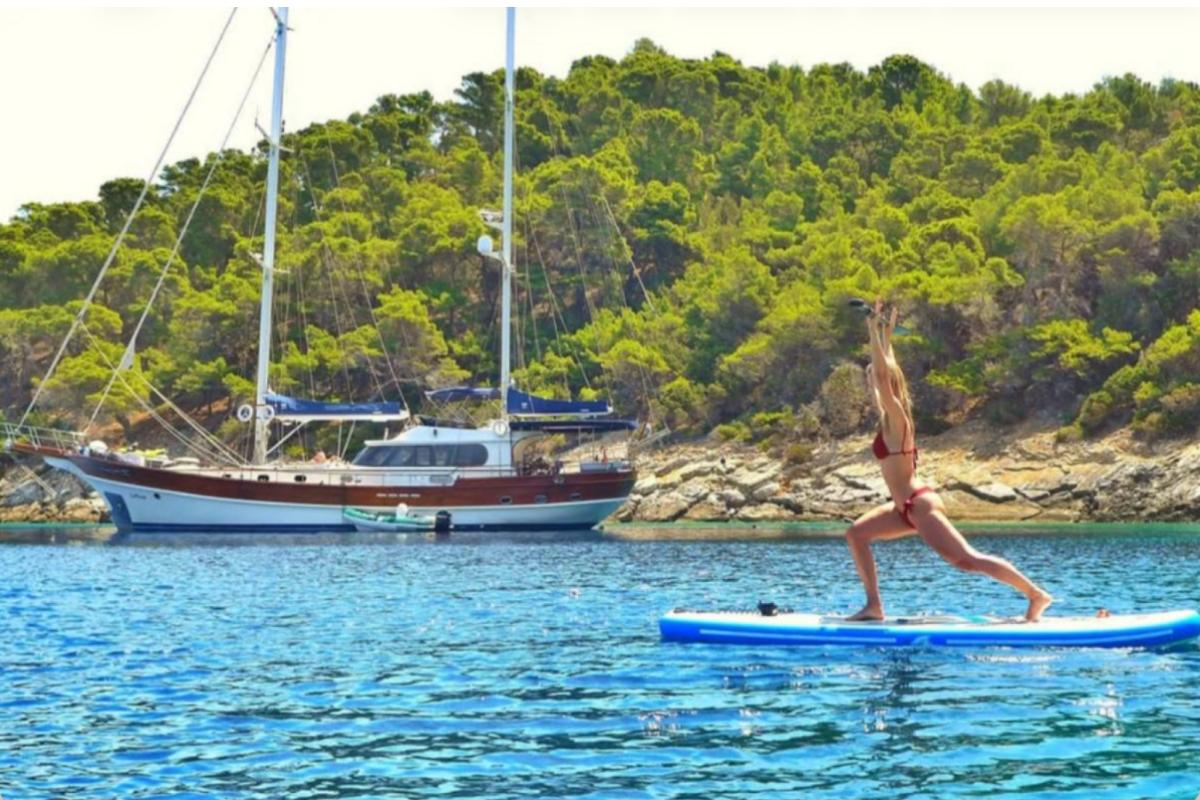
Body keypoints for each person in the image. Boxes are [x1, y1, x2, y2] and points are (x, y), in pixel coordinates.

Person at [844, 299, 1053, 622]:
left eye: (874, 380)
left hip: (918, 505)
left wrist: (872, 330)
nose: (872, 384)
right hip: (902, 508)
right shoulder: (889, 419)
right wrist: (885, 332)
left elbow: (886, 377)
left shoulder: (898, 419)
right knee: (856, 534)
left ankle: (1036, 595)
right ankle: (874, 606)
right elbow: (888, 371)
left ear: (889, 386)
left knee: (966, 560)